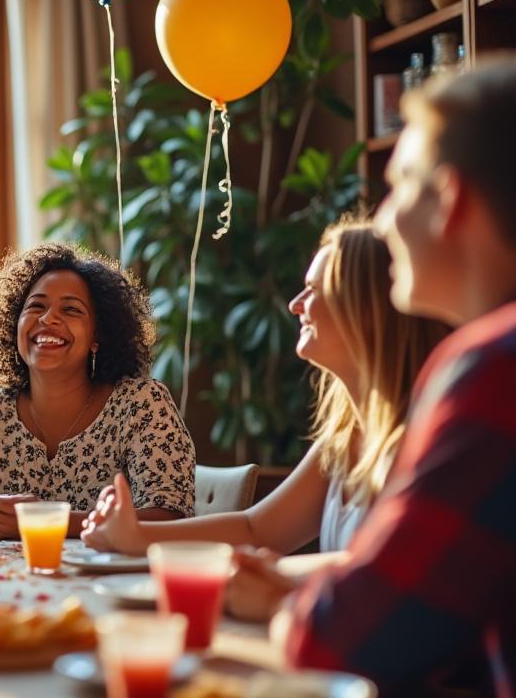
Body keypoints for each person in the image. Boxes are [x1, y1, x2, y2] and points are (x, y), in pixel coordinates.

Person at [243, 60, 516, 694]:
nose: (384, 220)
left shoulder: (494, 370)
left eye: (398, 186)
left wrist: (279, 604)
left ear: (452, 201)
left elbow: (344, 638)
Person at [80, 220, 449, 565]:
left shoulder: (422, 440)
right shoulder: (344, 437)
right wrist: (134, 536)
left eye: (316, 290)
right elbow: (257, 530)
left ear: (367, 311)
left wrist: (282, 585)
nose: (295, 304)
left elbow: (376, 574)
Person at [0, 243, 195, 538]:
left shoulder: (141, 404)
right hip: (10, 581)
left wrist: (44, 521)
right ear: (14, 324)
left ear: (98, 336)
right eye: (36, 306)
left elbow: (169, 516)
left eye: (71, 309)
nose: (48, 319)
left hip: (113, 581)